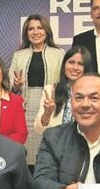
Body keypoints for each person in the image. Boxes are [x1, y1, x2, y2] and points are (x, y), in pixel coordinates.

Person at [9, 15, 64, 163]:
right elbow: (10, 88)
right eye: (31, 29)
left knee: (47, 152)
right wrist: (16, 86)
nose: (35, 32)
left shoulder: (58, 54)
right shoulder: (18, 55)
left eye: (39, 28)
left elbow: (64, 84)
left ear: (46, 31)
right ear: (26, 33)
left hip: (48, 108)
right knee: (26, 154)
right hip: (25, 107)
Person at [35, 46, 93, 133]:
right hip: (57, 144)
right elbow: (38, 129)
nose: (75, 67)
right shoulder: (50, 90)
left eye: (80, 64)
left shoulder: (95, 92)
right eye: (71, 62)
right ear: (64, 65)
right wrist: (47, 113)